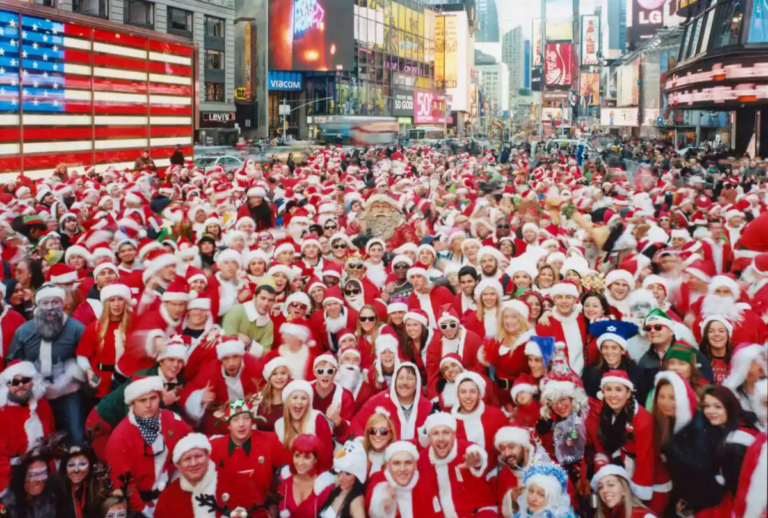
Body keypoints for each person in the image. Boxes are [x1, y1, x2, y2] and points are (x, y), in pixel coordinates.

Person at [7, 283, 86, 445]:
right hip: (35, 393)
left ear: (62, 304)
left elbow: (87, 356)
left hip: (68, 391)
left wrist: (75, 373)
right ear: (38, 305)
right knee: (40, 437)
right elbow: (13, 361)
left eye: (55, 302)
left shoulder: (76, 329)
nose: (50, 307)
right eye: (45, 303)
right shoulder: (24, 331)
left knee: (76, 435)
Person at [105, 375, 192, 516]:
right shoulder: (120, 438)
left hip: (170, 495)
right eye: (142, 400)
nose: (149, 405)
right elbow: (124, 484)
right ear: (132, 403)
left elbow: (193, 443)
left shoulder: (171, 418)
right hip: (140, 506)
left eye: (153, 398)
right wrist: (143, 511)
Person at [586, 370, 668, 514]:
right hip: (628, 477)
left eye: (618, 390)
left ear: (628, 393)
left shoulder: (642, 421)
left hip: (652, 485)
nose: (613, 395)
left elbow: (646, 460)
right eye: (608, 389)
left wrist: (637, 491)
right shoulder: (607, 412)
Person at [652, 372, 725, 517]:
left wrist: (669, 444)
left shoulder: (698, 425)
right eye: (662, 396)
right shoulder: (668, 420)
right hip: (683, 496)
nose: (665, 402)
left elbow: (697, 467)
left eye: (672, 397)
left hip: (703, 501)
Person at [154, 433, 258, 518]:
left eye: (198, 456)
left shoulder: (237, 483)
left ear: (208, 457)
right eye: (187, 459)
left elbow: (260, 514)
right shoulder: (168, 498)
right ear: (178, 465)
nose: (194, 463)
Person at [417, 412, 497, 518]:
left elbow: (477, 456)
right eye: (435, 433)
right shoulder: (422, 460)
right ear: (429, 438)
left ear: (454, 435)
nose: (441, 438)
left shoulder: (465, 449)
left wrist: (476, 462)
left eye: (446, 432)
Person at [0, 361, 56, 494]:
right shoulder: (2, 413)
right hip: (15, 478)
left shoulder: (42, 405)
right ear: (7, 386)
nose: (20, 386)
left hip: (44, 472)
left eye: (25, 380)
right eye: (14, 382)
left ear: (33, 381)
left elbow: (51, 437)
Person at [352, 363, 432, 442]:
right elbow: (356, 423)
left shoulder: (427, 407)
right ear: (394, 381)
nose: (404, 383)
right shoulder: (379, 401)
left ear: (416, 383)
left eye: (409, 378)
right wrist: (364, 442)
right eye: (400, 378)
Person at [366, 441, 438, 518]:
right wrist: (383, 499)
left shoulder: (426, 483)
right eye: (396, 463)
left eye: (408, 462)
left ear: (416, 465)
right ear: (388, 465)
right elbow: (371, 506)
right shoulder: (378, 479)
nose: (402, 469)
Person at [1, 453, 76, 518]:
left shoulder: (53, 496)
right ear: (22, 477)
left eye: (43, 473)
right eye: (33, 474)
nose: (39, 480)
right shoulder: (6, 504)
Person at [277, 434, 335, 518]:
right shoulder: (284, 481)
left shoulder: (325, 487)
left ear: (315, 459)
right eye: (297, 456)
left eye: (307, 457)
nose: (300, 463)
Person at [318, 440, 368, 518]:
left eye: (348, 474)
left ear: (357, 476)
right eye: (340, 471)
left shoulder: (356, 500)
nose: (341, 478)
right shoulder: (334, 489)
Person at [511, 463, 577, 518]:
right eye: (531, 491)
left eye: (541, 494)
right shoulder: (523, 514)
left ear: (552, 499)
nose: (532, 498)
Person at [591, 465, 658, 518]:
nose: (604, 490)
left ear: (624, 489)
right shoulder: (606, 515)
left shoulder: (645, 516)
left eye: (611, 484)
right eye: (600, 487)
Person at [58, 446, 103, 518]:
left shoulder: (96, 490)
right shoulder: (57, 491)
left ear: (90, 467)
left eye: (82, 464)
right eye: (71, 465)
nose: (76, 470)